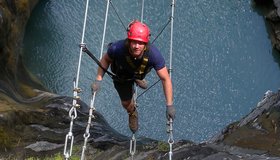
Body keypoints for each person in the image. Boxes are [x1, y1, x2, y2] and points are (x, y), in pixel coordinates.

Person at [92, 20, 175, 133]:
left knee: (140, 72)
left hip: (139, 72)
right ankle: (132, 112)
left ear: (146, 43)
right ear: (129, 41)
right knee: (126, 103)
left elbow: (165, 79)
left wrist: (169, 104)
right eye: (134, 42)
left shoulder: (154, 55)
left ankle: (137, 79)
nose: (136, 46)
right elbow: (105, 60)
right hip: (122, 76)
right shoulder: (117, 48)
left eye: (140, 43)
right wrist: (98, 79)